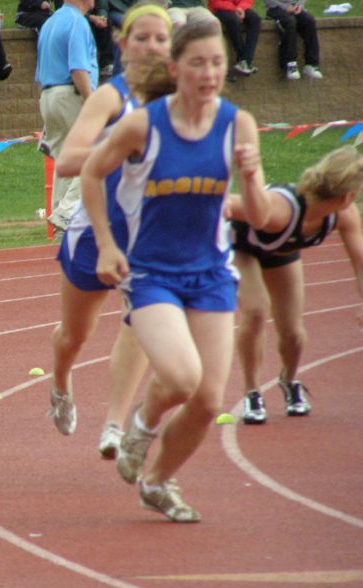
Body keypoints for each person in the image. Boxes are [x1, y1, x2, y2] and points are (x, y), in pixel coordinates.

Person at [80, 13, 270, 522]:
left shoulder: (238, 124)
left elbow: (260, 217)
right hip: (151, 273)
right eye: (198, 63)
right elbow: (92, 174)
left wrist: (251, 179)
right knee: (183, 378)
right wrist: (104, 243)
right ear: (175, 66)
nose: (209, 74)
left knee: (208, 400)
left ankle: (158, 482)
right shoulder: (144, 124)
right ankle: (141, 424)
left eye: (217, 63)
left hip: (210, 273)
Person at [50, 1, 172, 458]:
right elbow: (66, 160)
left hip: (153, 234)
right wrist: (124, 147)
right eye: (140, 38)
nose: (151, 46)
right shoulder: (110, 97)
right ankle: (61, 381)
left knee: (140, 322)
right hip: (96, 229)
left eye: (160, 38)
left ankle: (115, 426)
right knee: (74, 336)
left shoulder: (181, 97)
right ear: (122, 46)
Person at [228, 145, 363, 424]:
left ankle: (289, 381)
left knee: (293, 333)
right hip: (241, 247)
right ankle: (252, 391)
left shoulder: (344, 216)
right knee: (255, 311)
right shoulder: (281, 210)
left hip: (281, 253)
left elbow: (360, 260)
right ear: (349, 195)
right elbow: (225, 203)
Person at [35, 0, 98, 234]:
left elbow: (40, 72)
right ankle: (67, 213)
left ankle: (62, 223)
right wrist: (92, 101)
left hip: (49, 96)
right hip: (70, 94)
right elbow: (78, 69)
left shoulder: (50, 23)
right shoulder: (77, 22)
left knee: (66, 163)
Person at [263, 0, 322, 81]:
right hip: (276, 9)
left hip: (295, 7)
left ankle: (311, 64)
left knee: (309, 21)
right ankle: (290, 63)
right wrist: (285, 7)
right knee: (290, 22)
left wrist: (299, 6)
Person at [207, 0, 260, 77]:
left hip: (240, 7)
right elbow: (216, 3)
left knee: (255, 19)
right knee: (233, 20)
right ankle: (241, 57)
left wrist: (241, 8)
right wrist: (235, 9)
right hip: (220, 8)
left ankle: (246, 60)